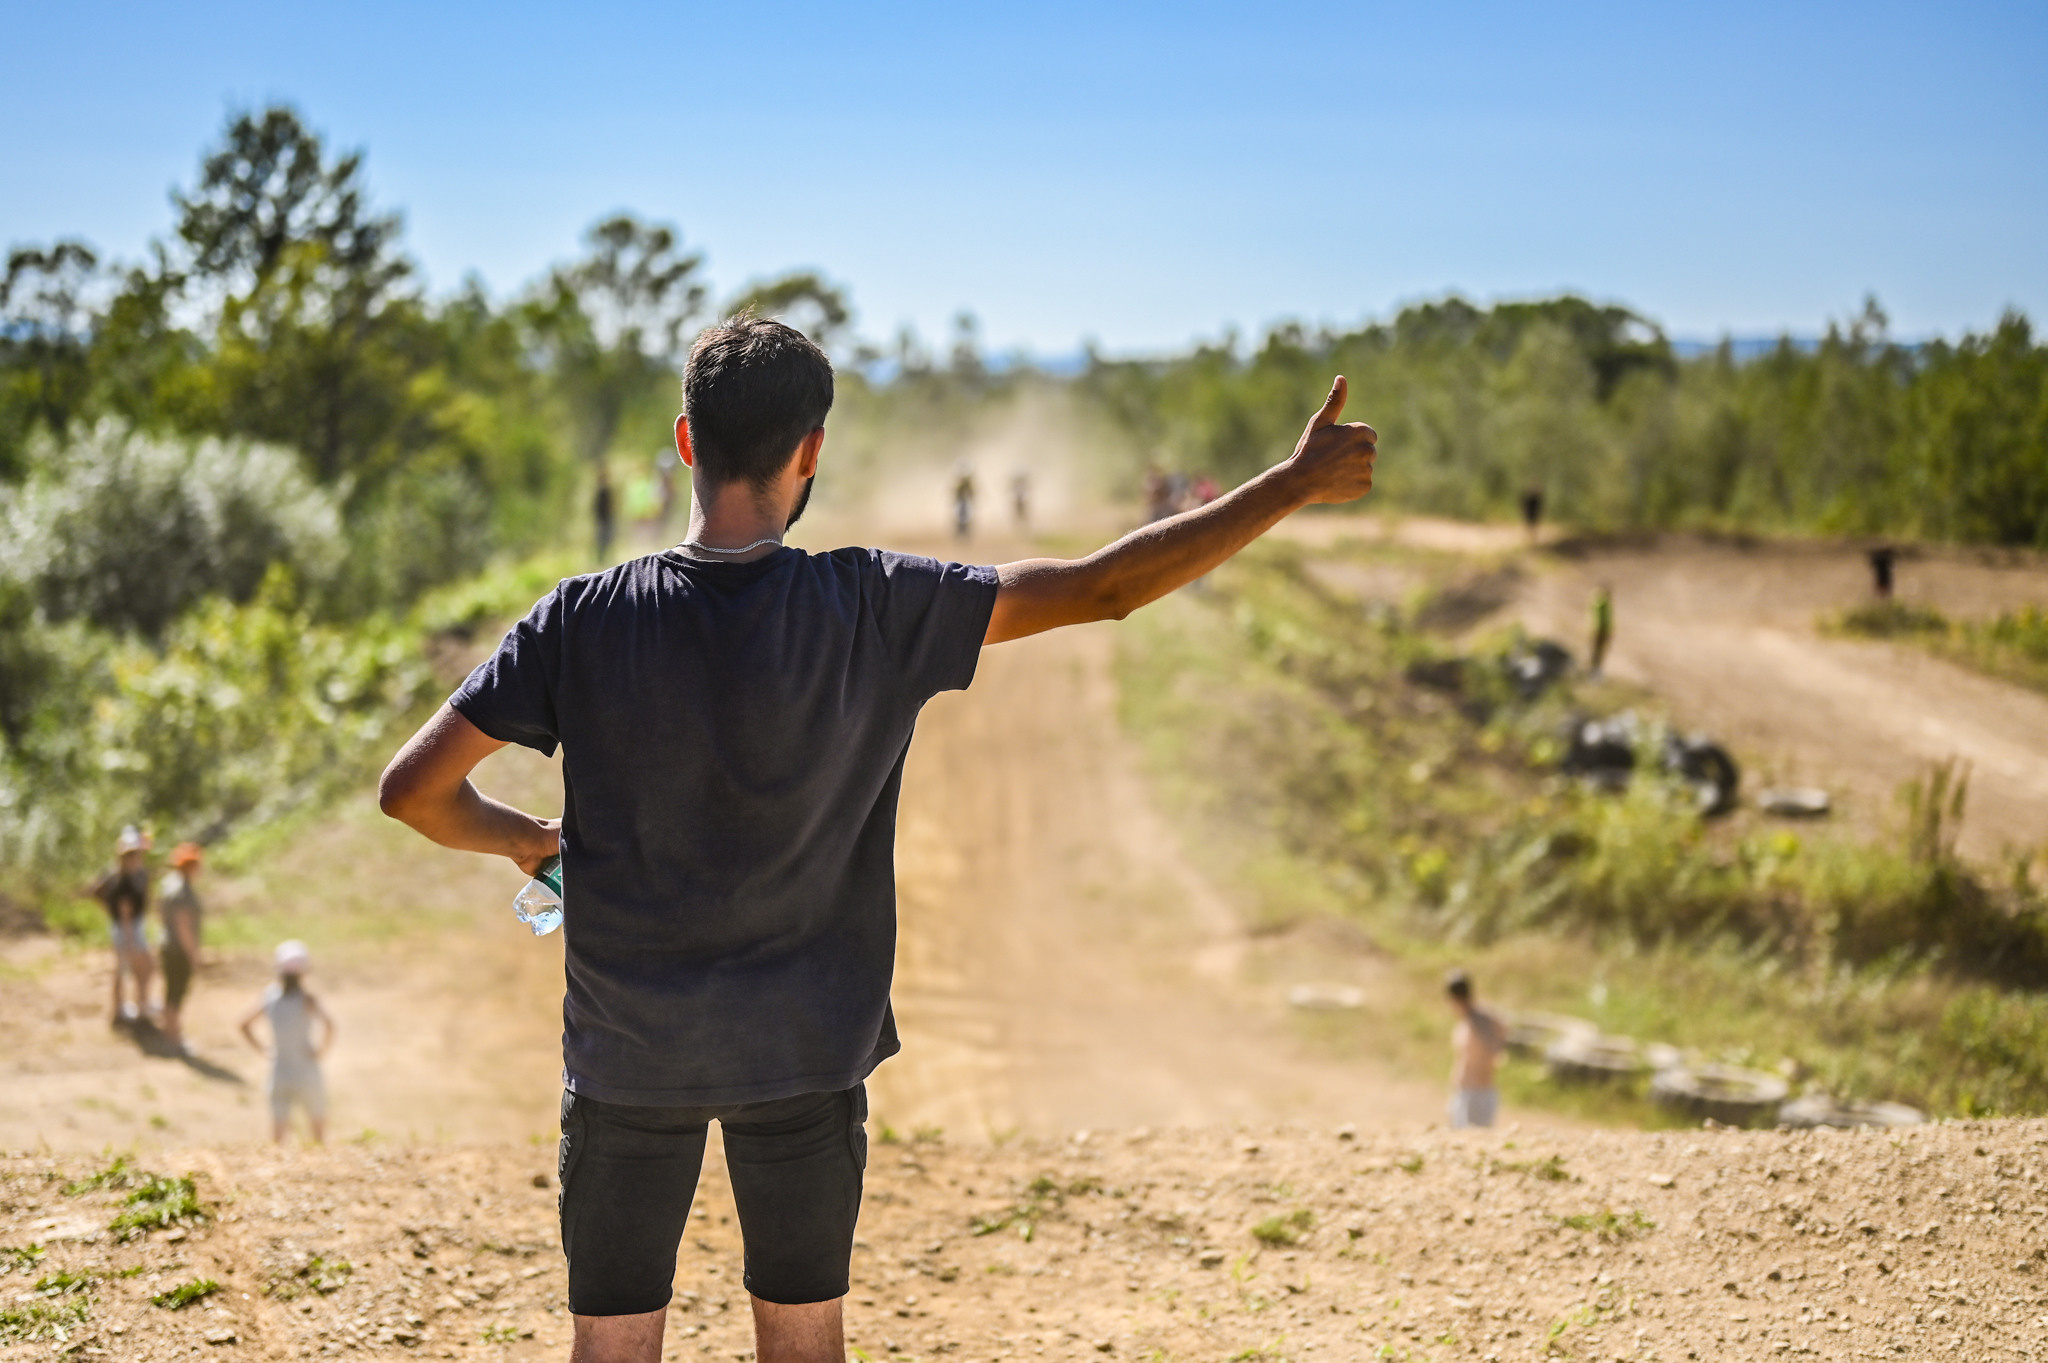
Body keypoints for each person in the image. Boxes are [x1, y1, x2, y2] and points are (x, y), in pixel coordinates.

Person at [376, 316, 1377, 1363]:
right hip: (804, 1055)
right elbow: (1103, 589)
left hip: (629, 1056)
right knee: (805, 1347)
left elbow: (415, 790)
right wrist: (1286, 485)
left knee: (612, 1349)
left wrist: (527, 837)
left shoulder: (579, 617)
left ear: (684, 442)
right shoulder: (871, 603)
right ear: (809, 451)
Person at [238, 940, 335, 1145]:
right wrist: (321, 1051)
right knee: (317, 1123)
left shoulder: (269, 997)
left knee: (279, 1129)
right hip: (307, 1068)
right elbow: (330, 1025)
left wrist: (264, 1050)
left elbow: (243, 1024)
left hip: (279, 1068)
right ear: (304, 971)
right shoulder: (308, 999)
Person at [90, 826, 154, 1026]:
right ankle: (126, 1009)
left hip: (131, 926)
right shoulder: (122, 880)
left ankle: (135, 1006)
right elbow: (124, 911)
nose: (135, 857)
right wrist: (128, 939)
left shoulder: (135, 873)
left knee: (134, 968)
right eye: (131, 854)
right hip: (128, 929)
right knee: (132, 968)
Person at [158, 843, 205, 1052]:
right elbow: (183, 925)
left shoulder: (168, 885)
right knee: (177, 992)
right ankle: (173, 1036)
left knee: (170, 991)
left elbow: (160, 912)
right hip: (178, 950)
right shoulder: (183, 891)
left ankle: (170, 1033)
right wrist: (193, 954)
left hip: (168, 945)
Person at [1444, 969, 1506, 1129]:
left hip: (1472, 1094)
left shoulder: (1474, 1021)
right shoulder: (1484, 1016)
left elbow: (1490, 1049)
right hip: (1479, 1091)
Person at [1589, 583, 1614, 678]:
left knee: (1599, 651)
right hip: (1599, 630)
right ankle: (1593, 671)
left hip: (1601, 629)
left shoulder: (1604, 602)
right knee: (1597, 651)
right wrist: (1599, 629)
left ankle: (1595, 670)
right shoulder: (1601, 602)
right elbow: (1598, 618)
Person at [593, 466, 617, 562]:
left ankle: (603, 558)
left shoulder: (603, 490)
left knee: (605, 538)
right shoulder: (603, 491)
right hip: (604, 518)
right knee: (603, 538)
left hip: (604, 518)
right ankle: (601, 558)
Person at [951, 463, 976, 539]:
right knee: (959, 518)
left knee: (967, 518)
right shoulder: (958, 484)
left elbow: (972, 493)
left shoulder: (968, 484)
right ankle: (960, 533)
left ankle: (965, 534)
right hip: (961, 502)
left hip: (965, 502)